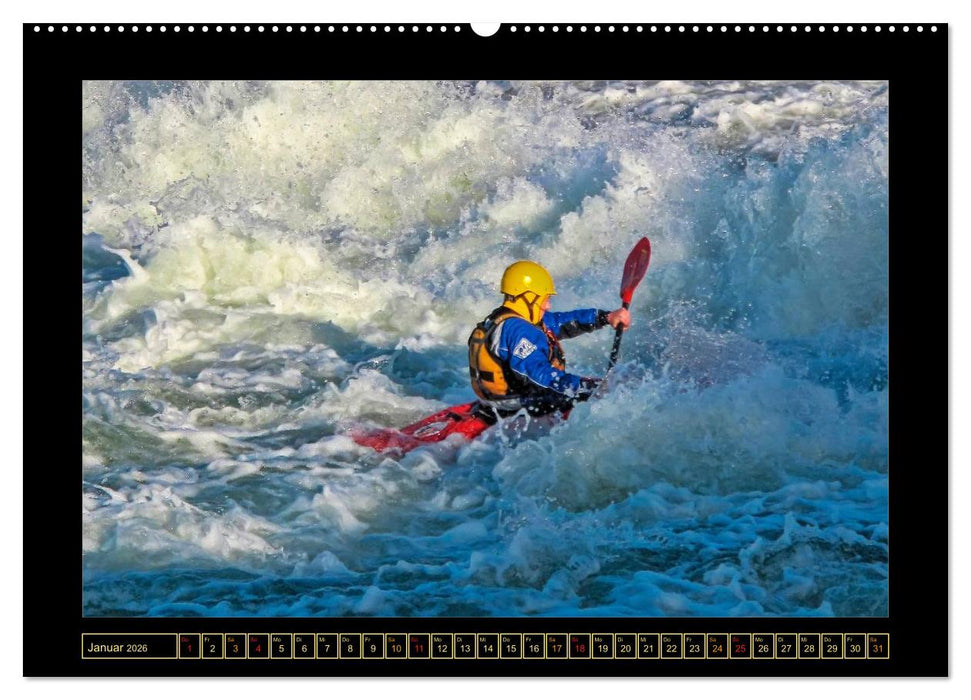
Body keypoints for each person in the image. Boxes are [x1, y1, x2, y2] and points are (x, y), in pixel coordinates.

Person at [468, 260, 631, 420]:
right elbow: (540, 374)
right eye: (545, 299)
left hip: (493, 401)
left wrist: (605, 317)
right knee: (613, 388)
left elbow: (563, 322)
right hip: (517, 406)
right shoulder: (519, 331)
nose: (547, 306)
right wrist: (581, 387)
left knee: (597, 384)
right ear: (529, 297)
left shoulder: (502, 319)